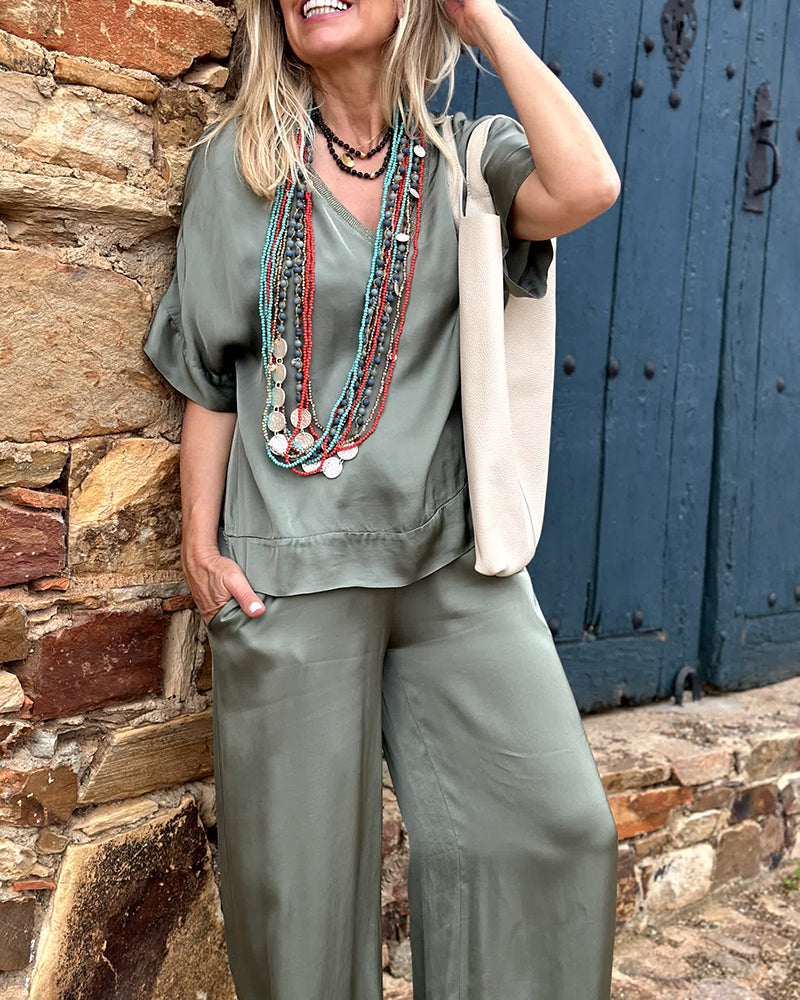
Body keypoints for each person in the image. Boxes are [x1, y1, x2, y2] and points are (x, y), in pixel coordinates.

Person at [142, 0, 621, 995]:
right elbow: (208, 373)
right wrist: (200, 544)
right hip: (288, 572)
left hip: (451, 564)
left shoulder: (466, 164)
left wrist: (482, 21)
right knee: (301, 910)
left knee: (555, 828)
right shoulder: (240, 166)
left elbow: (587, 184)